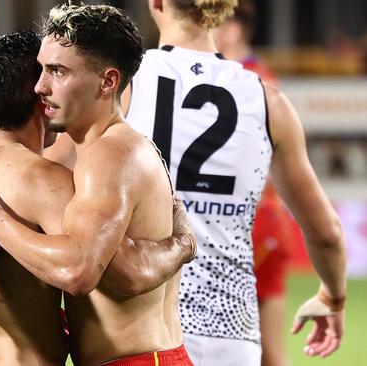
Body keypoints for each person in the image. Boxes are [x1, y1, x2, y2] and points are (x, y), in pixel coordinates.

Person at [0, 29, 195, 365]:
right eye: (50, 74)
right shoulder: (47, 181)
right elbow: (120, 272)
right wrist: (182, 244)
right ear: (41, 96)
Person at [119, 0, 346, 364]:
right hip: (232, 333)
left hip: (149, 325)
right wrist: (333, 297)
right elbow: (326, 233)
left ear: (156, 3)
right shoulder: (268, 100)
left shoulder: (124, 84)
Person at [214, 2, 303, 365]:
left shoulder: (243, 81)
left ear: (233, 30)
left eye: (215, 25)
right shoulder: (261, 78)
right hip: (265, 221)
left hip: (240, 224)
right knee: (268, 351)